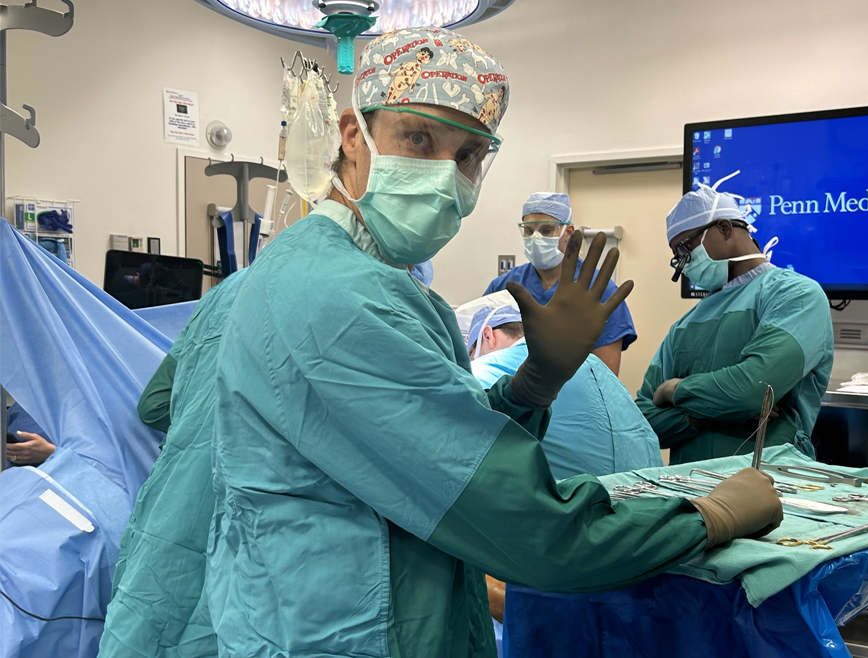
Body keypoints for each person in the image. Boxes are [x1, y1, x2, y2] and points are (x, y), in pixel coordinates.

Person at [207, 27, 782, 658]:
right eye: (418, 138)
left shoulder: (364, 280)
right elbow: (534, 529)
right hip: (347, 629)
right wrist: (710, 516)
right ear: (353, 134)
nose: (442, 174)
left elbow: (437, 441)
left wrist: (535, 382)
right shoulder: (335, 296)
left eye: (469, 155)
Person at [98, 269, 247, 658]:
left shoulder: (228, 291)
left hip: (178, 504)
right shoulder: (359, 296)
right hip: (252, 512)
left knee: (149, 621)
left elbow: (153, 406)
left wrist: (198, 416)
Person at [635, 177, 834, 464]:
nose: (684, 264)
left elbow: (754, 390)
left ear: (724, 228)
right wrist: (701, 416)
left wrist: (673, 390)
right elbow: (642, 422)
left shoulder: (797, 295)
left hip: (771, 485)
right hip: (690, 489)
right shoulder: (685, 324)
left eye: (684, 249)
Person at [466, 303, 662, 479]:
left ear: (487, 335)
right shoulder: (589, 360)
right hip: (652, 485)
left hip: (582, 503)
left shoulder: (485, 368)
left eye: (472, 351)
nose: (472, 359)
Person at [483, 192, 636, 375]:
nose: (536, 238)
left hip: (575, 396)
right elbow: (479, 351)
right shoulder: (503, 287)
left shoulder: (600, 290)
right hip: (508, 392)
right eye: (529, 231)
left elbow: (606, 377)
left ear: (568, 233)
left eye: (546, 230)